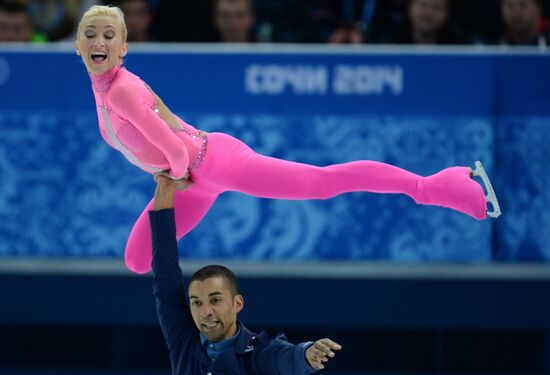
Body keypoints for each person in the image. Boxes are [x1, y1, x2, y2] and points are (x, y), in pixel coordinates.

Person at [75, 5, 500, 274]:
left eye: (109, 35)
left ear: (124, 48)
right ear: (77, 46)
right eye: (90, 34)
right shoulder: (107, 92)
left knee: (321, 182)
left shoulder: (121, 90)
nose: (99, 41)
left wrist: (174, 175)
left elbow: (171, 149)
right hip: (194, 181)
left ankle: (431, 185)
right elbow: (170, 124)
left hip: (213, 163)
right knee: (136, 260)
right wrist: (175, 170)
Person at [150, 174, 342, 374]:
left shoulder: (260, 352)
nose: (205, 311)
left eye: (215, 300)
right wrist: (165, 186)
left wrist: (307, 354)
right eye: (196, 303)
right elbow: (165, 271)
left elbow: (288, 358)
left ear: (237, 303)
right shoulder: (184, 339)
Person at [390, 0, 473, 44]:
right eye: (423, 5)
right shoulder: (389, 42)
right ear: (410, 8)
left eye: (436, 7)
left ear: (447, 14)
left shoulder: (461, 44)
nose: (428, 13)